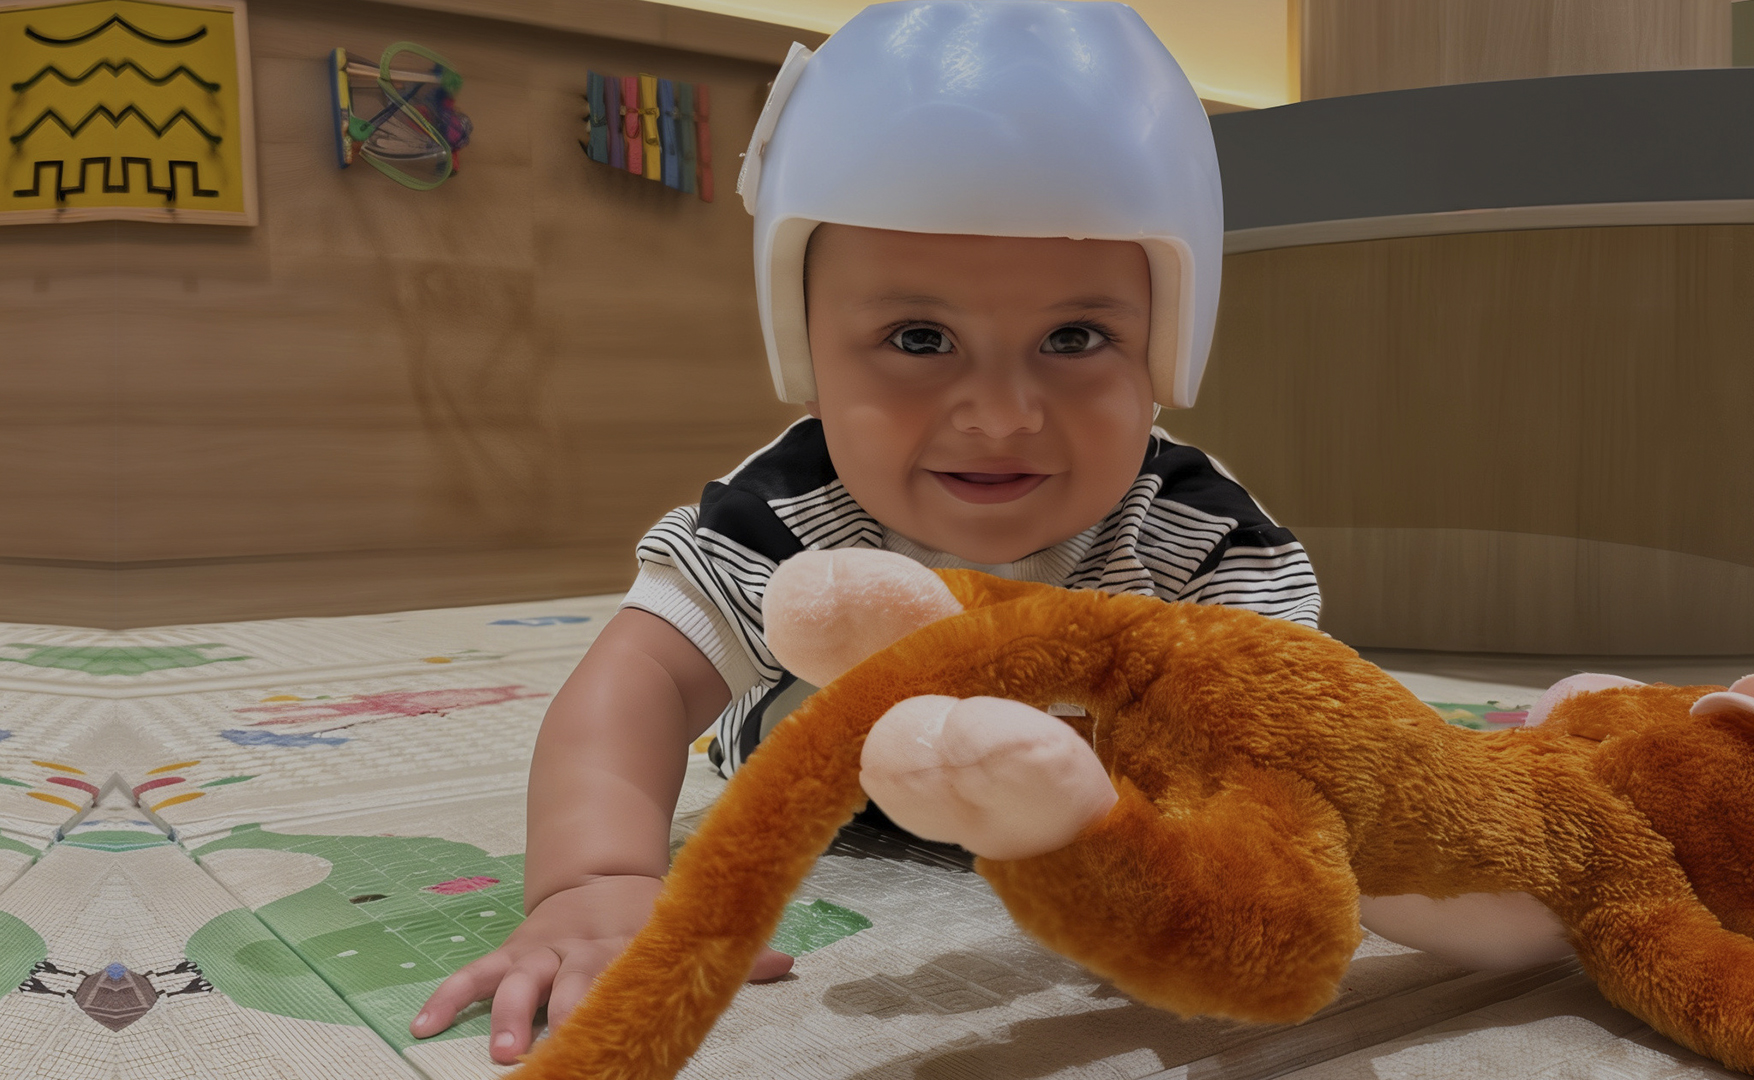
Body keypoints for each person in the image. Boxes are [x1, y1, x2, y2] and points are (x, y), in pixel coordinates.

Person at [410, 2, 1321, 1064]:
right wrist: (594, 881)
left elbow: (1290, 740)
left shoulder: (1198, 537)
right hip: (831, 787)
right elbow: (637, 684)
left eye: (1075, 337)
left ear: (1169, 346)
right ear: (803, 353)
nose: (1001, 415)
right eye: (919, 338)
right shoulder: (786, 516)